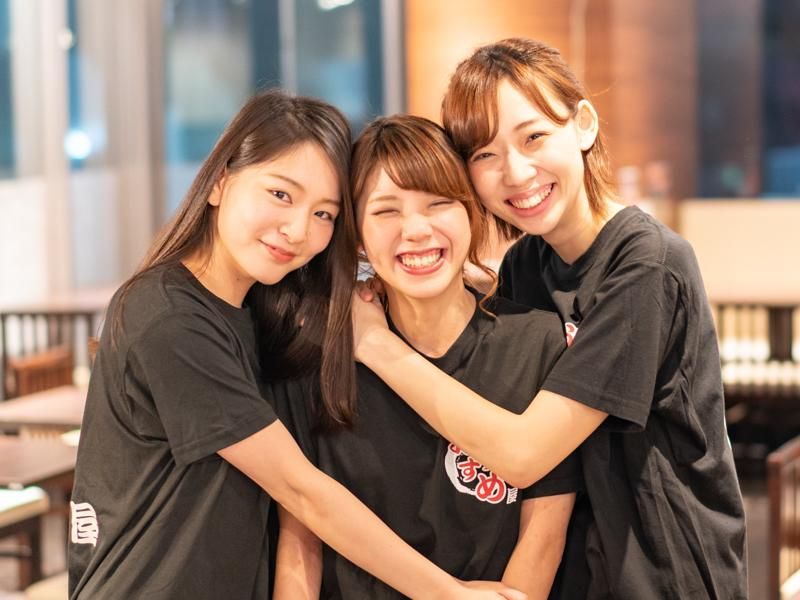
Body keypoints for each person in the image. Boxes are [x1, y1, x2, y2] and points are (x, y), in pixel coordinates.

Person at [67, 89, 525, 600]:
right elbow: (303, 492)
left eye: (324, 214)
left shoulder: (259, 311)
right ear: (219, 181)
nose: (297, 230)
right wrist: (451, 594)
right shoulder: (170, 317)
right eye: (281, 195)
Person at [352, 39, 747, 599]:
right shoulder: (526, 264)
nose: (516, 172)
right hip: (583, 567)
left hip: (663, 567)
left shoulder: (647, 265)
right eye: (484, 154)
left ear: (582, 125)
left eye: (533, 137)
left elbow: (524, 453)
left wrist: (374, 344)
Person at [271, 115, 581, 600]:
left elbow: (543, 534)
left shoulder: (538, 342)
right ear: (356, 236)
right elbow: (300, 540)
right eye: (386, 211)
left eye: (438, 203)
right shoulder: (317, 354)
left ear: (472, 214)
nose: (416, 230)